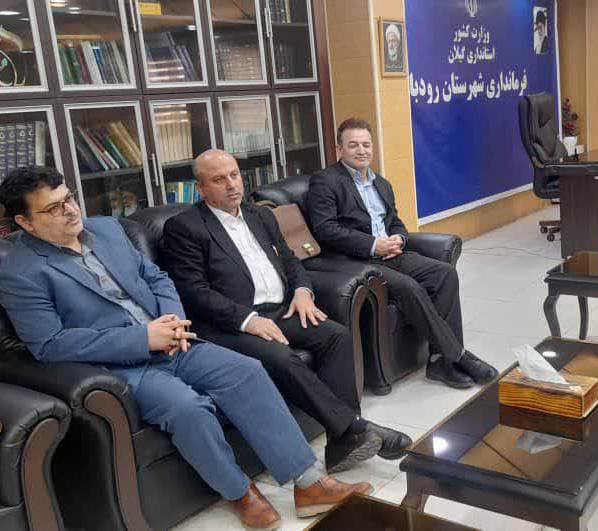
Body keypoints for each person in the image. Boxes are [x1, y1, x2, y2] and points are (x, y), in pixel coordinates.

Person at [0, 167, 372, 530]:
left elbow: (156, 277)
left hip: (174, 340)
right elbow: (50, 345)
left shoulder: (105, 229)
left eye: (69, 198)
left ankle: (309, 484)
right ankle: (239, 493)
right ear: (25, 222)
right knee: (188, 408)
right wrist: (143, 339)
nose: (70, 210)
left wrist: (173, 320)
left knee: (247, 371)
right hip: (120, 368)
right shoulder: (18, 274)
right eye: (53, 208)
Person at [162, 150, 412, 473]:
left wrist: (303, 291)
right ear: (201, 188)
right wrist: (248, 321)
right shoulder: (184, 228)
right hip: (231, 324)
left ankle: (341, 443)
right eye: (219, 180)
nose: (232, 185)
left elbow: (290, 260)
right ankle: (354, 428)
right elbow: (193, 292)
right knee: (281, 356)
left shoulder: (260, 215)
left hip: (280, 310)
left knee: (336, 336)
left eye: (234, 175)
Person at [305, 117, 498, 389]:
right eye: (353, 145)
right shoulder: (325, 181)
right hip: (356, 262)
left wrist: (399, 238)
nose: (361, 150)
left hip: (392, 255)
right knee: (409, 287)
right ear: (339, 149)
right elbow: (326, 229)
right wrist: (374, 244)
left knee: (444, 274)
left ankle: (439, 362)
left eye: (366, 144)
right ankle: (459, 356)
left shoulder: (382, 183)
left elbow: (395, 222)